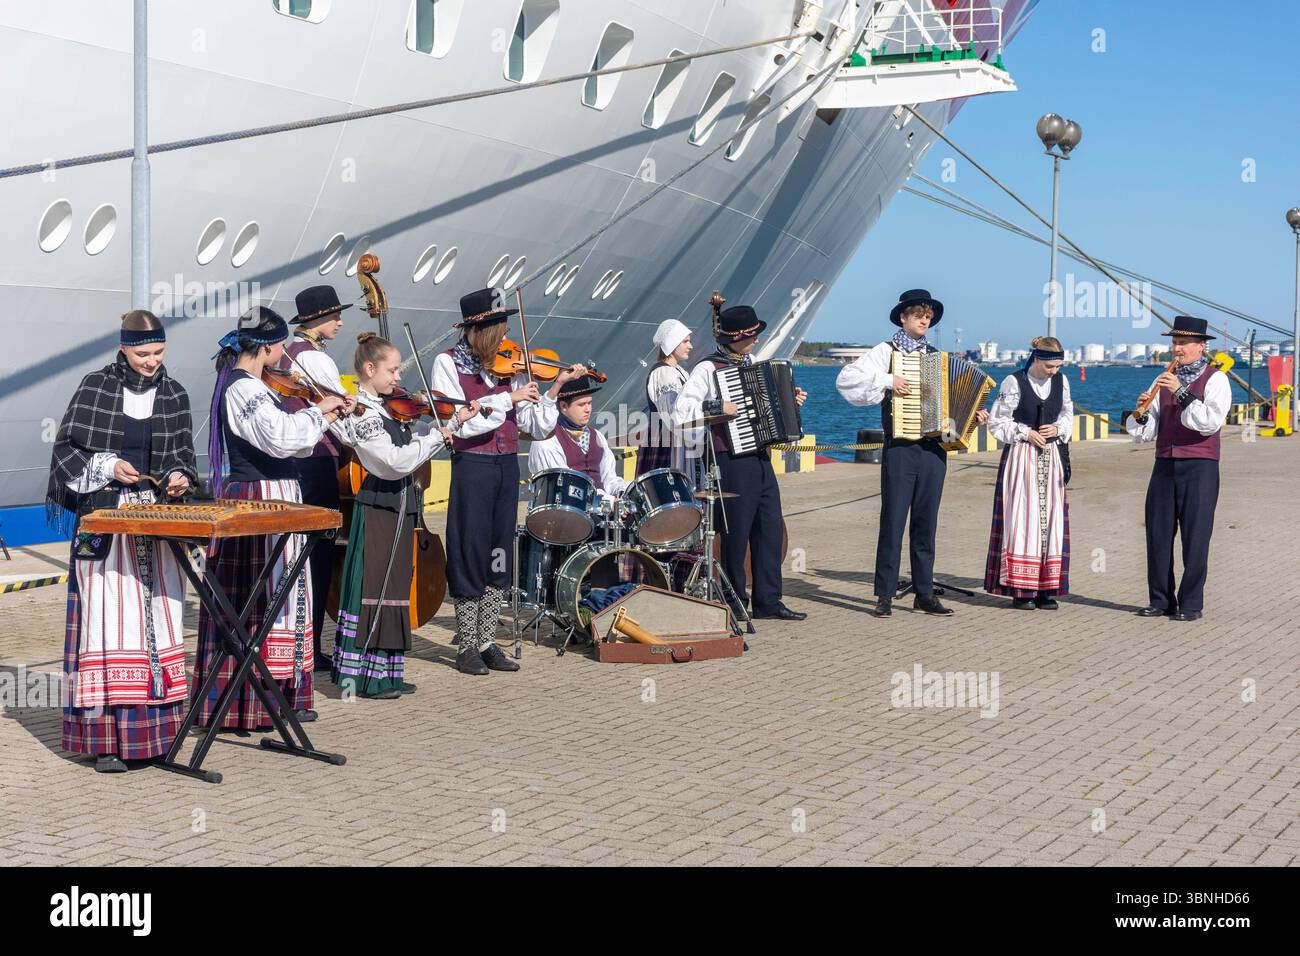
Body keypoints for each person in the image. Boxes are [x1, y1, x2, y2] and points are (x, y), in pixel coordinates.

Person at [47, 310, 198, 772]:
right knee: (109, 623)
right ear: (123, 348)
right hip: (106, 519)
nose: (152, 361)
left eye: (158, 352)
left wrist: (177, 477)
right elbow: (66, 451)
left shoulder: (174, 393)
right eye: (143, 353)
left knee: (157, 617)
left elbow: (186, 457)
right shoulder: (96, 387)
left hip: (155, 522)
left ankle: (155, 736)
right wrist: (109, 466)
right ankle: (108, 740)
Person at [195, 306, 354, 731]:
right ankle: (251, 699)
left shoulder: (257, 386)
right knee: (263, 597)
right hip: (259, 499)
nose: (286, 352)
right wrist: (320, 413)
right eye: (281, 344)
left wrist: (327, 415)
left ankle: (281, 693)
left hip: (277, 495)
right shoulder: (242, 389)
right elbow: (280, 439)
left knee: (284, 596)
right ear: (265, 347)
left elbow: (292, 443)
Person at [430, 288, 586, 675]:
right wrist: (509, 398)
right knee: (469, 548)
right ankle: (466, 645)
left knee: (500, 551)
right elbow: (462, 421)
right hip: (473, 466)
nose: (503, 339)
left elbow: (539, 426)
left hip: (505, 468)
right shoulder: (448, 364)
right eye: (497, 330)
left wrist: (549, 392)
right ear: (477, 331)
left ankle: (487, 642)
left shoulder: (510, 368)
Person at [331, 332, 480, 699]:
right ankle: (364, 678)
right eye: (392, 370)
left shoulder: (383, 408)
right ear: (370, 368)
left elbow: (408, 444)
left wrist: (452, 422)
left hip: (398, 503)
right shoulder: (365, 414)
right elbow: (394, 463)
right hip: (380, 503)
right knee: (375, 588)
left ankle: (387, 673)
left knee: (396, 587)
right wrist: (437, 437)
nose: (399, 378)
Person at [836, 289, 988, 618]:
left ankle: (924, 592)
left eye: (928, 316)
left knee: (926, 522)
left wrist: (972, 416)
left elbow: (950, 411)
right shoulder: (884, 351)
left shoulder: (939, 358)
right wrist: (889, 379)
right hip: (901, 447)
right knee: (892, 521)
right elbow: (846, 380)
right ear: (903, 317)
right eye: (918, 314)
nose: (924, 319)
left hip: (934, 448)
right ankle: (885, 594)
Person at [673, 304, 807, 623]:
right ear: (736, 337)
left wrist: (792, 399)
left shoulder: (755, 365)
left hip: (760, 456)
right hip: (729, 458)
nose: (757, 340)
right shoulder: (708, 369)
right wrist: (720, 406)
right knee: (736, 533)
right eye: (752, 335)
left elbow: (773, 405)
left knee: (769, 528)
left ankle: (768, 600)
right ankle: (734, 601)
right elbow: (680, 412)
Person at [1125, 316, 1229, 622]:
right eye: (1175, 343)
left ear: (1200, 346)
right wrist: (1142, 414)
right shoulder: (1163, 378)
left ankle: (1191, 604)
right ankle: (1160, 600)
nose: (1177, 348)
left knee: (1196, 537)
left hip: (1200, 464)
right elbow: (1148, 428)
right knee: (1157, 534)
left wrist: (1182, 392)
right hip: (1165, 462)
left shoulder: (1216, 379)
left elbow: (1210, 422)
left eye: (1183, 343)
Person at [280, 285, 353, 670]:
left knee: (299, 555)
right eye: (333, 315)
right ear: (315, 320)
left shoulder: (287, 354)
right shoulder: (317, 361)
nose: (340, 320)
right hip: (320, 460)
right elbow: (342, 416)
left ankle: (295, 642)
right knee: (319, 555)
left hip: (295, 464)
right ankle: (312, 647)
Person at [983, 336, 1073, 609]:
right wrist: (1025, 432)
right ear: (1037, 359)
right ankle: (1021, 589)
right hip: (1021, 457)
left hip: (1052, 456)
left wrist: (1057, 429)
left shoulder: (1062, 382)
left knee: (1051, 521)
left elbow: (1067, 414)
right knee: (1023, 518)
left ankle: (1047, 588)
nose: (1054, 372)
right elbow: (998, 423)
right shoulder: (1014, 382)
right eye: (1050, 367)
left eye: (1058, 366)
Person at [527, 373, 628, 498]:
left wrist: (621, 491)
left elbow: (609, 478)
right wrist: (603, 499)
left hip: (603, 511)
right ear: (564, 406)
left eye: (589, 403)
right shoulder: (547, 440)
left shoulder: (597, 437)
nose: (588, 409)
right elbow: (562, 485)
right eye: (581, 405)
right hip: (567, 513)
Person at [635, 318, 701, 487]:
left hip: (677, 438)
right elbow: (673, 415)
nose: (690, 346)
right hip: (667, 442)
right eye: (685, 341)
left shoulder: (678, 371)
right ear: (672, 343)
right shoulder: (664, 373)